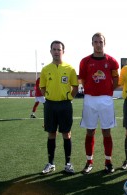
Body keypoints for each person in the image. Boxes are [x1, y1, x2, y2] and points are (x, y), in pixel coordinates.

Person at [79, 32, 119, 174]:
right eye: (95, 41)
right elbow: (83, 80)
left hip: (106, 100)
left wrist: (107, 90)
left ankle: (108, 162)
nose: (98, 44)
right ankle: (89, 161)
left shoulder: (112, 61)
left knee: (106, 131)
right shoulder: (85, 61)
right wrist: (92, 89)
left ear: (104, 43)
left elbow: (115, 80)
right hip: (90, 99)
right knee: (90, 131)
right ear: (92, 43)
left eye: (100, 41)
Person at [39, 40, 78, 174]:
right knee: (51, 133)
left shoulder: (70, 68)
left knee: (66, 133)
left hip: (65, 105)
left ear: (63, 51)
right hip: (50, 105)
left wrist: (69, 98)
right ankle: (51, 163)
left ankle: (68, 163)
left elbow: (75, 87)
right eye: (54, 49)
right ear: (51, 51)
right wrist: (50, 97)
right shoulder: (45, 69)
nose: (56, 52)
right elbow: (42, 87)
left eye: (58, 49)